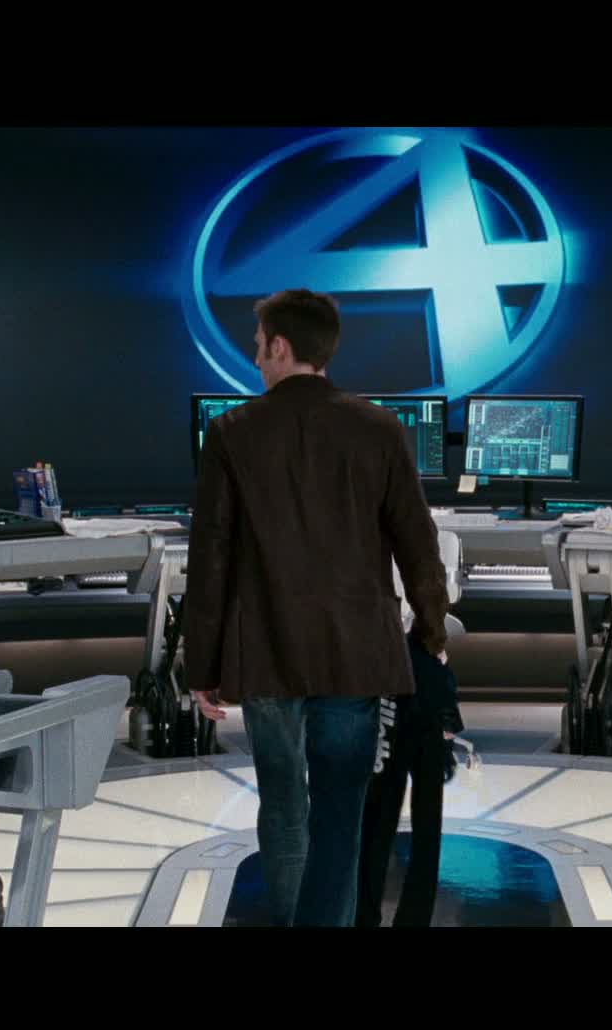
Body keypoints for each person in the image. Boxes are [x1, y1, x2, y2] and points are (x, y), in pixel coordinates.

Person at [184, 288, 450, 928]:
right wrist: (432, 630)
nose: (255, 359)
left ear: (280, 346)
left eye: (258, 346)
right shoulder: (380, 428)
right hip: (355, 653)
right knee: (341, 812)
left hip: (267, 654)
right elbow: (417, 543)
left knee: (283, 808)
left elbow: (211, 558)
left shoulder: (231, 432)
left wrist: (202, 666)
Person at [356, 631, 463, 928]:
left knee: (382, 817)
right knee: (408, 819)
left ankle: (369, 914)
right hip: (408, 680)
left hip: (399, 681)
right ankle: (403, 916)